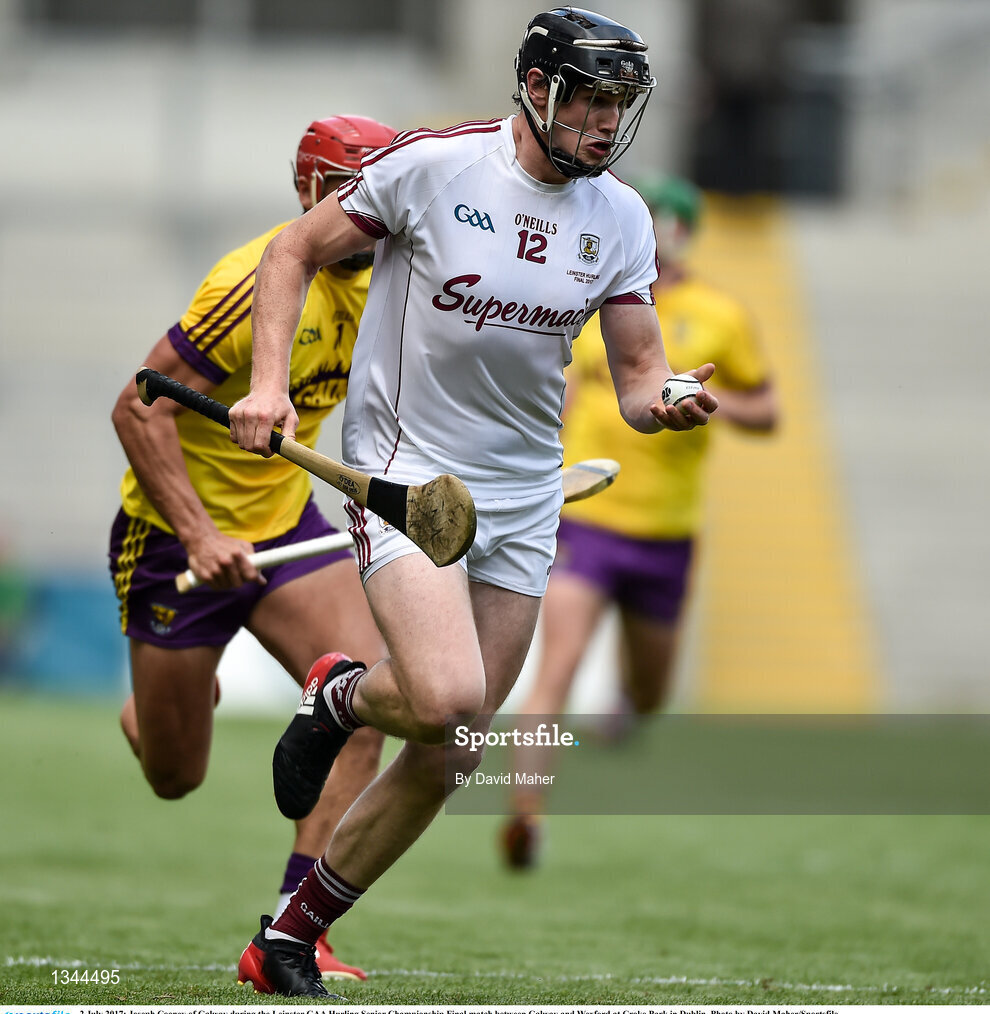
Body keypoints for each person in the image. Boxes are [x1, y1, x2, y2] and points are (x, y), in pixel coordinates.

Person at [228, 8, 717, 998]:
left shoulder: (618, 216)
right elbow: (291, 253)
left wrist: (667, 402)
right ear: (536, 89)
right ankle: (340, 696)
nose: (602, 119)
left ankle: (287, 936)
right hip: (409, 469)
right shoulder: (434, 167)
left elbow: (634, 378)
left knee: (453, 752)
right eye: (587, 96)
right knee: (446, 702)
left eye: (618, 102)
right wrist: (268, 385)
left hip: (527, 493)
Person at [108, 115, 397, 982]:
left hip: (286, 532)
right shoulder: (252, 285)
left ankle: (294, 931)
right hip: (174, 545)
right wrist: (200, 531)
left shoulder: (390, 278)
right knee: (174, 774)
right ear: (310, 192)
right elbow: (137, 406)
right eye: (352, 193)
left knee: (369, 695)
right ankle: (157, 707)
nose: (368, 213)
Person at [501, 175, 779, 868]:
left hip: (668, 530)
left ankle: (627, 700)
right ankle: (525, 815)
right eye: (658, 222)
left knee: (654, 692)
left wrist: (711, 402)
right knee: (556, 671)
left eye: (677, 224)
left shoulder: (722, 313)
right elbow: (564, 393)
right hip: (592, 518)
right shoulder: (597, 298)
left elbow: (767, 408)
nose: (666, 234)